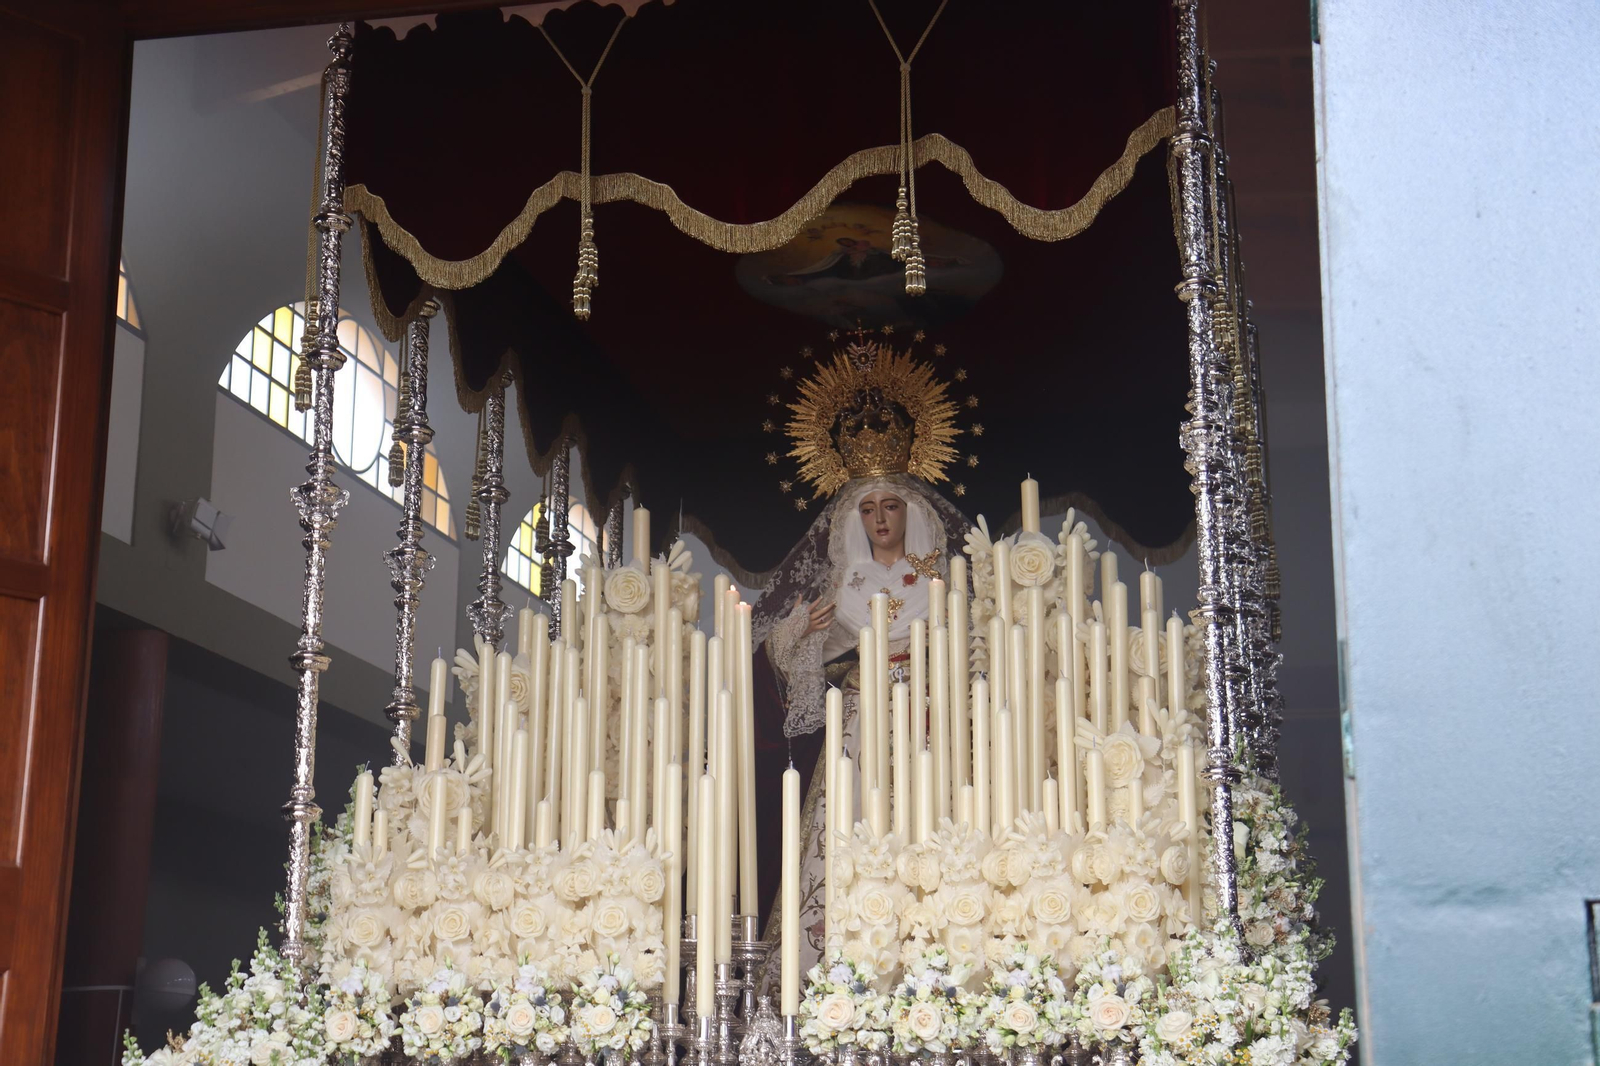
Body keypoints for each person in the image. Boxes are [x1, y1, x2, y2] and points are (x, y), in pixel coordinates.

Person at [747, 348, 972, 969]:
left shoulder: (940, 584)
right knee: (844, 831)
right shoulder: (840, 587)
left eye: (890, 506)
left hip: (925, 719)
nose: (878, 518)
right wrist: (798, 632)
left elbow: (970, 653)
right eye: (867, 509)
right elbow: (793, 668)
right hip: (855, 723)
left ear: (912, 511)